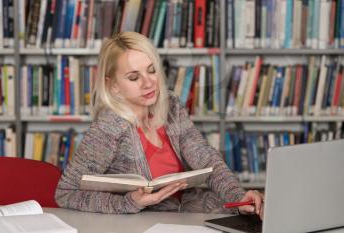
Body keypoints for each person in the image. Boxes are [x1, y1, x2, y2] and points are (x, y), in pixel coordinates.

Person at [55, 31, 264, 218]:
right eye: (134, 77)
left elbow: (205, 158)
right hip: (143, 223)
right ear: (114, 86)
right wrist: (128, 203)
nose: (148, 83)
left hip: (189, 215)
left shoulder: (171, 105)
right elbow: (65, 193)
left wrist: (240, 197)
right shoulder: (108, 127)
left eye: (151, 70)